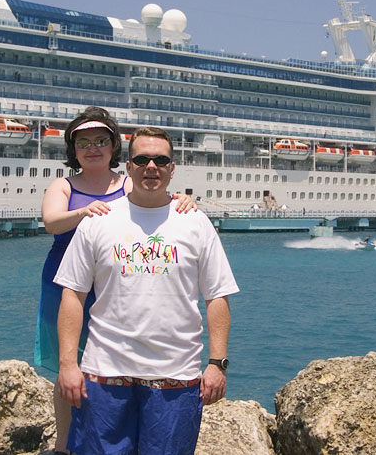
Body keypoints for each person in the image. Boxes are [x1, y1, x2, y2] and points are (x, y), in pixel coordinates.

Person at [55, 126, 239, 455]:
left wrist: (217, 364)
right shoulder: (98, 220)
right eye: (141, 159)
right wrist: (68, 364)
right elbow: (73, 295)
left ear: (172, 168)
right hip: (103, 374)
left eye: (160, 160)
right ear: (128, 167)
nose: (150, 167)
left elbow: (217, 296)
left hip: (176, 376)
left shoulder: (196, 222)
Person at [35, 108, 195, 455]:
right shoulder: (63, 185)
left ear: (113, 147)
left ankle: (118, 434)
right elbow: (51, 222)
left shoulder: (126, 182)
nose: (93, 148)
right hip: (66, 284)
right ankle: (65, 445)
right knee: (69, 363)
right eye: (84, 142)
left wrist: (183, 200)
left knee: (112, 366)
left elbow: (154, 200)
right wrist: (85, 211)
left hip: (115, 280)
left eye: (101, 141)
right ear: (73, 149)